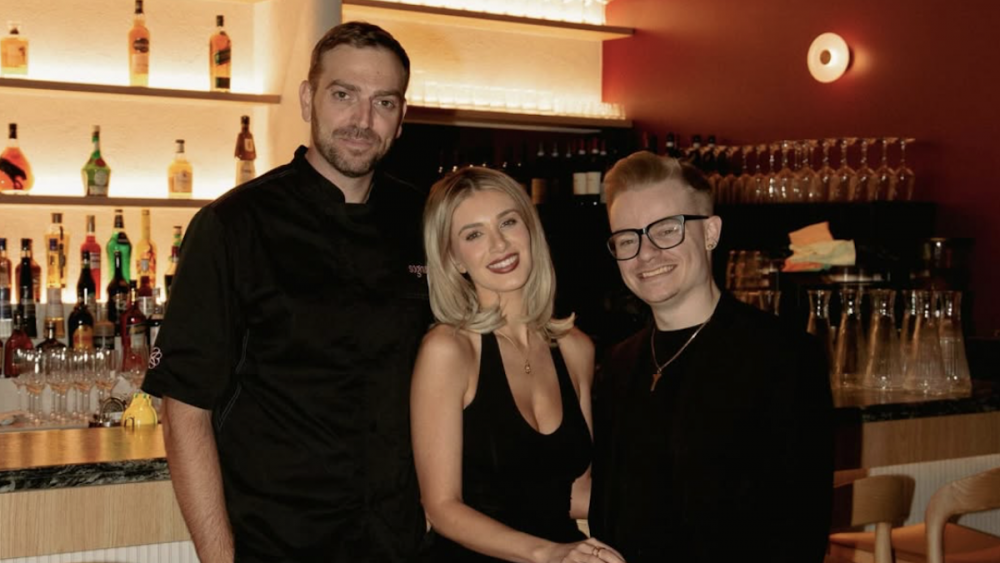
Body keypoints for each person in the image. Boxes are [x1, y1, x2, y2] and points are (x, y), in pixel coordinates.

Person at [141, 22, 431, 562]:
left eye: (384, 102)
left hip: (401, 544)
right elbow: (184, 411)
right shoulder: (232, 226)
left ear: (401, 118)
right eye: (343, 95)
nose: (362, 120)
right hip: (277, 544)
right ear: (307, 99)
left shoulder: (426, 221)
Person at [588, 151, 834, 562]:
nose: (646, 254)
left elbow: (799, 534)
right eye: (628, 239)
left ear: (710, 233)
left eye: (666, 230)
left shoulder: (782, 357)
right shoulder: (618, 364)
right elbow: (610, 514)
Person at [411, 167, 625, 563]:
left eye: (508, 222)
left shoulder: (575, 348)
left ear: (530, 230)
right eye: (473, 235)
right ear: (453, 259)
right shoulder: (449, 351)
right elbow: (441, 507)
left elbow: (577, 491)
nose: (499, 244)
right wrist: (549, 553)